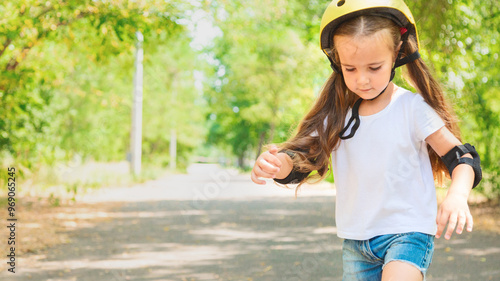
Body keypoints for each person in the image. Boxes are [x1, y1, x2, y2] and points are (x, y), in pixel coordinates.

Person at [250, 0, 482, 280]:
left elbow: (462, 157)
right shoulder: (336, 116)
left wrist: (457, 196)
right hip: (356, 242)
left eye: (374, 67)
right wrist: (278, 165)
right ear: (336, 61)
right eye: (350, 69)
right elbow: (302, 160)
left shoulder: (412, 108)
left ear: (397, 53)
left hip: (407, 233)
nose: (362, 80)